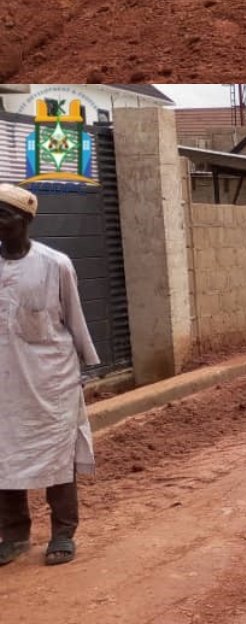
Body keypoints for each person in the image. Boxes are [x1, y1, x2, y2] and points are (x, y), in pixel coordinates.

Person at [0, 184, 100, 567]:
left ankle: (62, 533)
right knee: (4, 457)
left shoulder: (55, 263)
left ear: (25, 220)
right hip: (5, 383)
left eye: (4, 215)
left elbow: (74, 318)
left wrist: (83, 371)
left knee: (58, 457)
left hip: (50, 381)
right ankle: (13, 535)